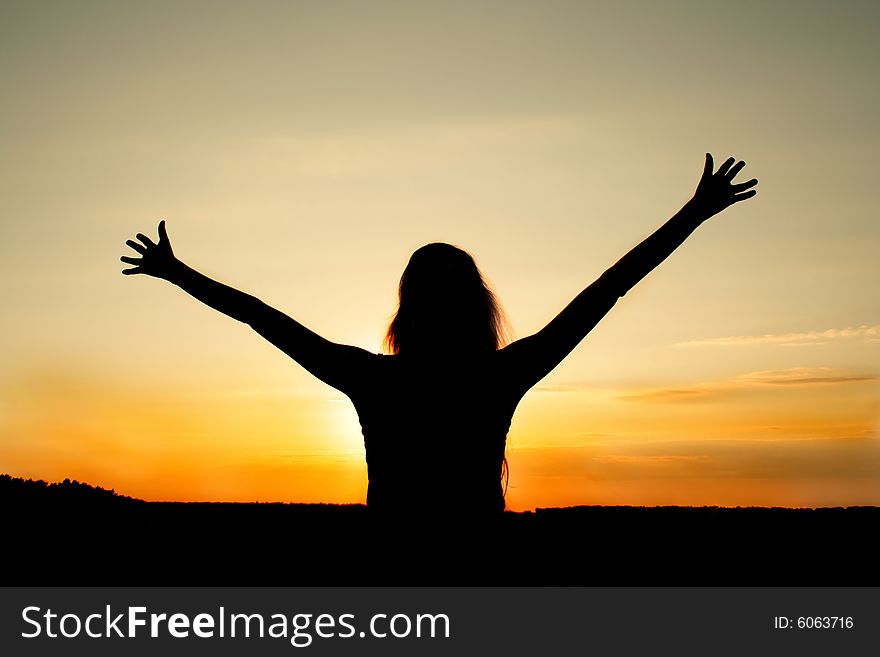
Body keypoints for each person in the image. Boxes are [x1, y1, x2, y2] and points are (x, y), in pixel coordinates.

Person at [121, 154, 757, 516]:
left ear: (405, 313)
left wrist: (179, 274)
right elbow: (607, 291)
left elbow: (262, 317)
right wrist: (692, 215)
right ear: (478, 309)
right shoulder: (500, 376)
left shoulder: (374, 379)